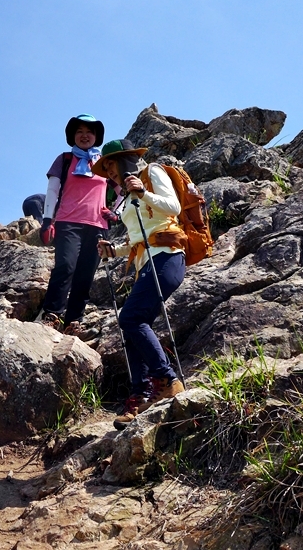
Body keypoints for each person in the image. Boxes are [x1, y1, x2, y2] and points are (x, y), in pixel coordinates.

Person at [93, 139, 186, 430]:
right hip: (147, 262)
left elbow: (174, 207)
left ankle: (167, 380)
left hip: (168, 256)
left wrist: (143, 192)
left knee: (131, 318)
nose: (109, 172)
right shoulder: (126, 195)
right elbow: (137, 239)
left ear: (125, 159)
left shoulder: (152, 172)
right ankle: (141, 394)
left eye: (111, 164)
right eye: (106, 168)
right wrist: (114, 251)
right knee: (132, 325)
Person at [38, 114, 109, 335]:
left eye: (89, 132)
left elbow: (121, 190)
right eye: (79, 131)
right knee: (65, 266)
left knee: (86, 274)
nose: (84, 135)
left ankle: (74, 320)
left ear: (96, 136)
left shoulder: (104, 162)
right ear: (73, 136)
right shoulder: (65, 159)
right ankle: (52, 314)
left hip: (98, 225)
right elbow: (52, 190)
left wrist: (115, 212)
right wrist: (47, 220)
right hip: (68, 222)